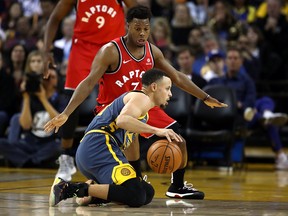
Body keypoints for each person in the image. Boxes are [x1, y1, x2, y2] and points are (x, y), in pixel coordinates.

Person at [46, 5, 227, 201]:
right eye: (137, 28)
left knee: (177, 138)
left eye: (146, 29)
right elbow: (88, 82)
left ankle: (177, 186)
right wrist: (66, 112)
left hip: (142, 105)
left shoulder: (153, 52)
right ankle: (108, 187)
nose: (142, 33)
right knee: (132, 164)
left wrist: (205, 97)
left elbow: (176, 76)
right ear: (127, 26)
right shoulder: (110, 51)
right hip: (114, 109)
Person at [45, 69, 182, 207]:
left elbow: (132, 142)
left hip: (92, 151)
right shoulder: (142, 98)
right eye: (168, 88)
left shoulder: (142, 108)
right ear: (154, 87)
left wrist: (136, 173)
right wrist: (157, 130)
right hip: (99, 146)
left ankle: (92, 193)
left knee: (147, 192)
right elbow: (122, 120)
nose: (170, 94)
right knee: (136, 195)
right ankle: (68, 189)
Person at [42, 0, 137, 181]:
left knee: (124, 103)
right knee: (72, 99)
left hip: (114, 49)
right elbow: (54, 19)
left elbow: (140, 13)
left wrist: (149, 48)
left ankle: (126, 161)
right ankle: (66, 157)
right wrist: (46, 50)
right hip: (83, 48)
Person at [208, 47, 288, 170]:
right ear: (225, 61)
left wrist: (242, 105)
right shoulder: (217, 80)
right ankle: (266, 119)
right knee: (264, 118)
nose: (233, 61)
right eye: (230, 58)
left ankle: (266, 116)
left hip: (244, 117)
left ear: (241, 61)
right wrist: (236, 103)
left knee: (265, 101)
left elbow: (250, 102)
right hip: (225, 116)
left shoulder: (247, 81)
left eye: (236, 58)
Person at [0, 51, 63, 167]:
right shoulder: (32, 95)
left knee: (59, 147)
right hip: (30, 142)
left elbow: (59, 121)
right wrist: (26, 97)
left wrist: (43, 99)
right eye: (46, 78)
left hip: (49, 142)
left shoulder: (60, 97)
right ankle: (35, 161)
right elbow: (25, 125)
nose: (49, 80)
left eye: (52, 77)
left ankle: (25, 161)